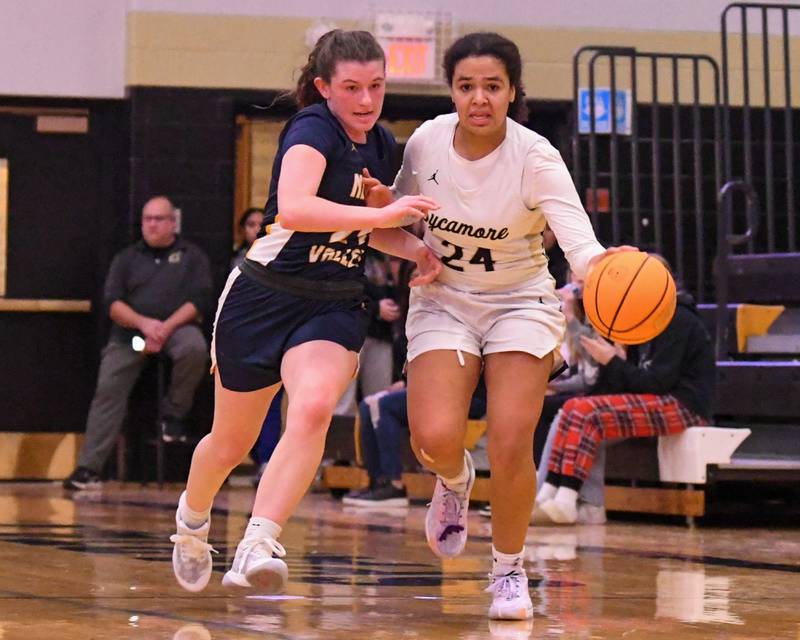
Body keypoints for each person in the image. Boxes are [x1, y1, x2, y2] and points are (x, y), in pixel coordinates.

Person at [169, 29, 441, 595]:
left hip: (334, 300)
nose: (366, 100)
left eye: (377, 85)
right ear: (323, 87)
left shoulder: (382, 143)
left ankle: (258, 541)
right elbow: (296, 209)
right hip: (262, 296)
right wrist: (387, 220)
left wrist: (416, 250)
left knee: (314, 407)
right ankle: (191, 523)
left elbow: (360, 230)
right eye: (351, 88)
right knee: (229, 443)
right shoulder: (313, 127)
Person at [390, 32, 634, 620]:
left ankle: (508, 571)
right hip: (444, 297)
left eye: (492, 86)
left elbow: (580, 245)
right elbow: (391, 216)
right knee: (435, 437)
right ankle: (453, 480)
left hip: (520, 302)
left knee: (510, 435)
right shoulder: (425, 143)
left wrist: (609, 273)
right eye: (466, 86)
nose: (479, 98)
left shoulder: (535, 155)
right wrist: (410, 248)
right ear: (451, 91)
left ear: (512, 91)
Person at [63, 196, 212, 490]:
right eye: (147, 219)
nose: (152, 225)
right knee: (110, 382)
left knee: (195, 349)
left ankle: (174, 415)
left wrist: (164, 328)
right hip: (132, 335)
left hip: (177, 330)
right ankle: (89, 467)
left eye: (159, 219)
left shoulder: (192, 256)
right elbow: (113, 304)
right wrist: (145, 326)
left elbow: (199, 301)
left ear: (173, 223)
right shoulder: (127, 258)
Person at [536, 283, 715, 525]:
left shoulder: (678, 320)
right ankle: (547, 496)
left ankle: (567, 500)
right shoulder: (641, 319)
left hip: (684, 405)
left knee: (587, 412)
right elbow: (626, 381)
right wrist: (614, 361)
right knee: (572, 407)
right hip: (656, 397)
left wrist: (612, 362)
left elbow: (656, 382)